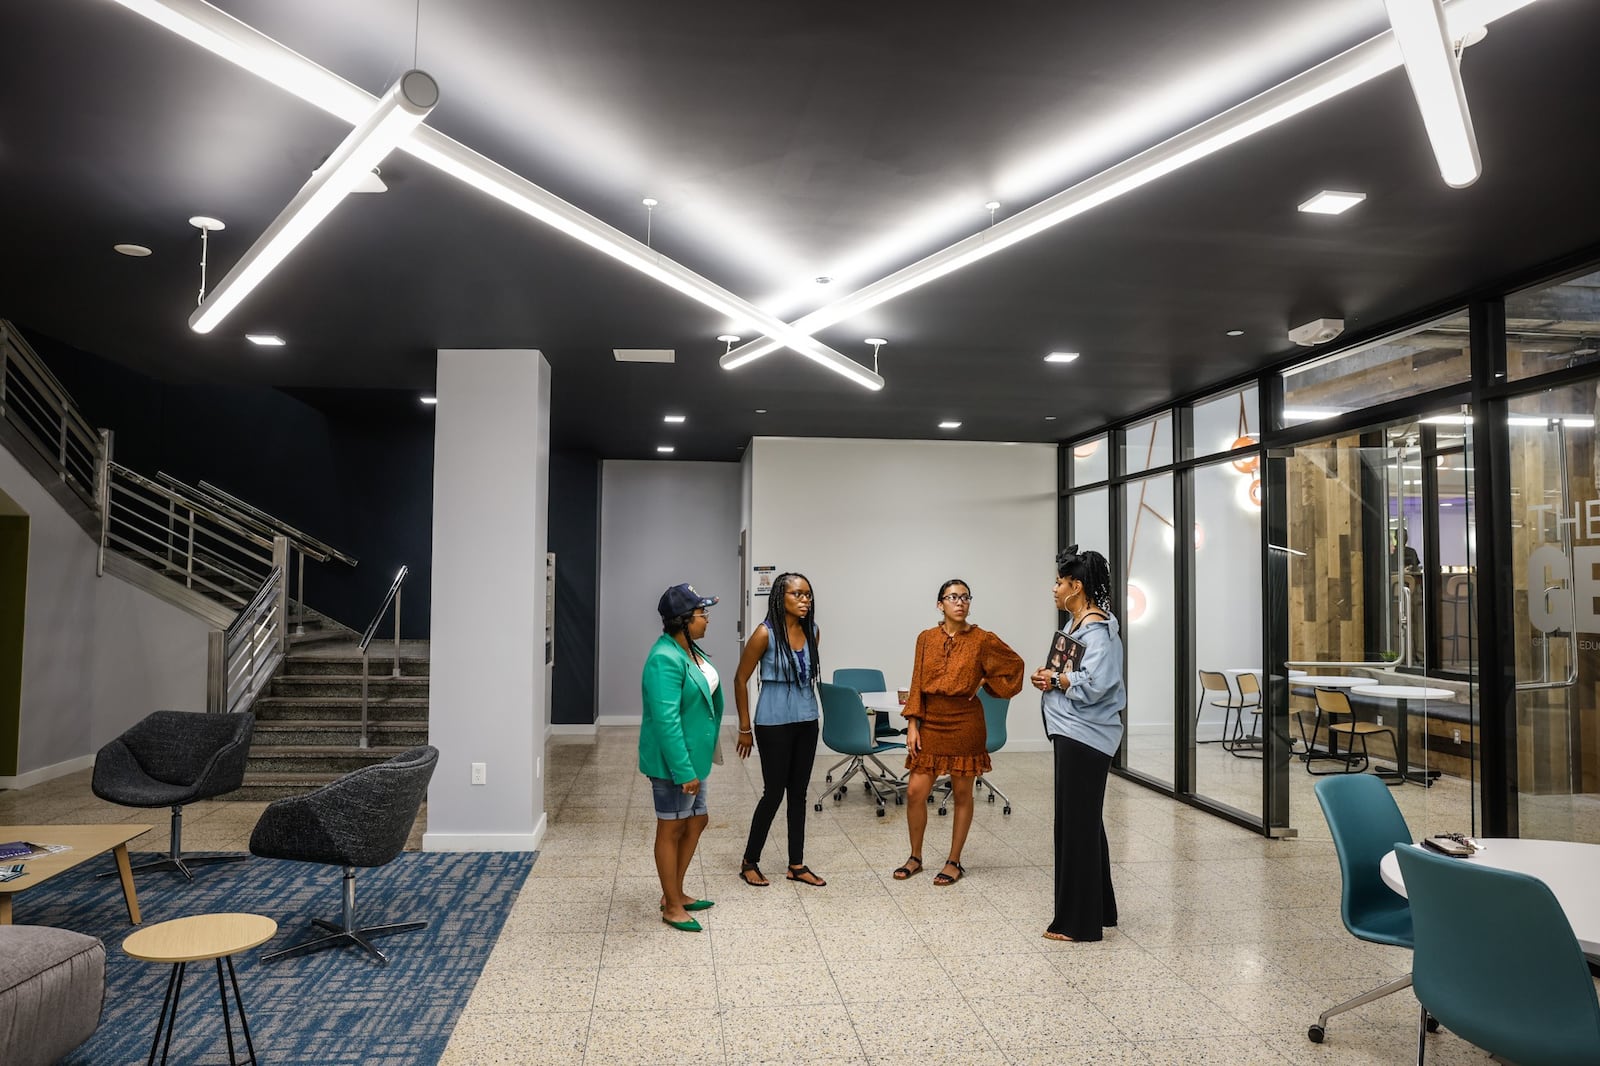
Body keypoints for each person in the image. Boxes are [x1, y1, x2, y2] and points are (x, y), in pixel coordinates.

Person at [894, 578, 1024, 886]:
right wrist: (913, 724)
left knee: (962, 793)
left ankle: (954, 861)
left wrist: (985, 682)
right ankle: (915, 856)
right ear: (940, 604)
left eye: (965, 597)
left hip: (966, 722)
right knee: (915, 792)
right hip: (931, 722)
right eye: (952, 597)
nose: (960, 602)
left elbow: (1015, 666)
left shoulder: (982, 639)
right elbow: (916, 682)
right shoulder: (925, 638)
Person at [1031, 546, 1124, 942]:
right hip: (1071, 732)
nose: (1054, 588)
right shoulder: (1076, 626)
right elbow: (1072, 673)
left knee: (1077, 827)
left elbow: (1101, 683)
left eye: (1059, 582)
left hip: (1085, 738)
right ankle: (1099, 910)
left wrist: (1057, 681)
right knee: (1083, 824)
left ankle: (1078, 923)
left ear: (1077, 586)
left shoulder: (1098, 631)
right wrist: (1051, 677)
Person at [638, 583, 724, 932]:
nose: (707, 619)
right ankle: (672, 905)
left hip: (694, 757)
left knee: (697, 820)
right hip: (675, 763)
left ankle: (674, 892)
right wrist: (683, 770)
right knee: (671, 827)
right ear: (683, 620)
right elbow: (666, 721)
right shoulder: (664, 659)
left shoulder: (689, 649)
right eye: (703, 614)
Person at [732, 572, 826, 888]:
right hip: (772, 722)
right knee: (773, 793)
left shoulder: (812, 631)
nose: (804, 600)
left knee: (798, 793)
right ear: (779, 597)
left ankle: (796, 864)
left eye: (808, 595)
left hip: (806, 719)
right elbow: (740, 680)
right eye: (797, 594)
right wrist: (745, 728)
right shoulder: (764, 634)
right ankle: (749, 861)